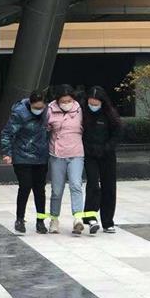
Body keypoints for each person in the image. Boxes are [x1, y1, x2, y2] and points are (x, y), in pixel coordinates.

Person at [1, 90, 49, 234]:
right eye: (36, 107)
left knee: (40, 189)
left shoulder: (47, 112)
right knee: (25, 186)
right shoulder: (19, 113)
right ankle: (20, 219)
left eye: (41, 107)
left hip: (41, 157)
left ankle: (40, 221)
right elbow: (7, 133)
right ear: (31, 104)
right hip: (22, 155)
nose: (39, 110)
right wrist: (7, 153)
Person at [81, 86, 122, 234]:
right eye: (91, 103)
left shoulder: (110, 115)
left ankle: (108, 221)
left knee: (109, 187)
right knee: (93, 184)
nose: (93, 106)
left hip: (107, 155)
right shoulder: (83, 114)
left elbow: (117, 134)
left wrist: (107, 147)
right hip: (89, 155)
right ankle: (90, 216)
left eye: (96, 104)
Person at [47, 84, 86, 236]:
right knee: (57, 190)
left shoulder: (79, 110)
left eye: (69, 100)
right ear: (57, 100)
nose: (66, 103)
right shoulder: (50, 110)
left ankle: (78, 218)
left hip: (76, 153)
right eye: (63, 101)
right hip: (57, 155)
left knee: (76, 185)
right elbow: (43, 129)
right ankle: (54, 219)